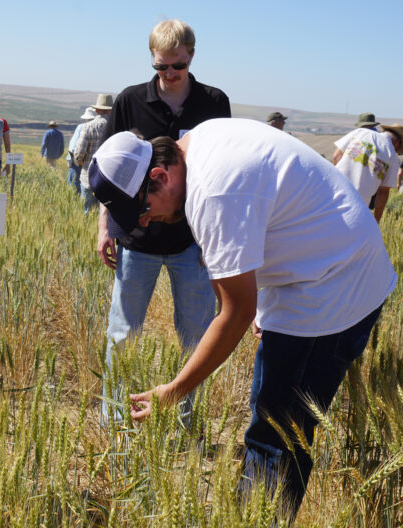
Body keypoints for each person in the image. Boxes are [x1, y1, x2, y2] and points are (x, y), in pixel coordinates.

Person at [90, 120, 395, 523]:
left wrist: (176, 390)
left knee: (276, 436)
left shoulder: (212, 193)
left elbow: (234, 313)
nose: (145, 223)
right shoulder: (201, 142)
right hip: (320, 271)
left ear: (160, 176)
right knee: (272, 421)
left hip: (333, 286)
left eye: (143, 210)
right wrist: (259, 305)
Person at [97, 19, 230, 423]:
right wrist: (105, 227)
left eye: (177, 66)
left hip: (192, 241)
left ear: (192, 55)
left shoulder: (214, 102)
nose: (169, 75)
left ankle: (188, 425)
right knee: (122, 335)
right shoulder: (129, 102)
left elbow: (220, 173)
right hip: (137, 240)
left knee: (196, 337)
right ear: (151, 61)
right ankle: (115, 424)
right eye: (160, 67)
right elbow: (110, 172)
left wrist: (214, 241)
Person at [333, 113, 403, 223]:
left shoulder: (360, 132)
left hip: (333, 191)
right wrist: (376, 220)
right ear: (397, 142)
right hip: (358, 205)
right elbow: (383, 192)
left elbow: (336, 156)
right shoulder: (392, 155)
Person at [74, 95, 112, 212]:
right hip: (109, 180)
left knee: (86, 213)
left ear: (96, 110)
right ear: (110, 110)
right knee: (105, 216)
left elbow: (79, 153)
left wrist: (81, 162)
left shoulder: (88, 127)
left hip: (89, 177)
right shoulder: (117, 128)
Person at [66, 107, 96, 194]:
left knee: (74, 187)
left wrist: (70, 160)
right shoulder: (99, 127)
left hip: (77, 162)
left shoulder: (81, 127)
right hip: (92, 164)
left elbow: (73, 147)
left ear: (85, 119)